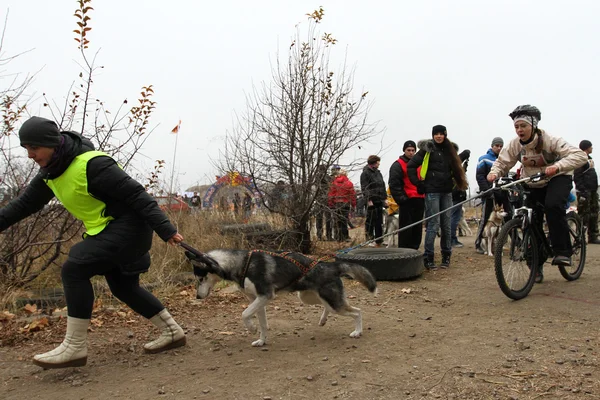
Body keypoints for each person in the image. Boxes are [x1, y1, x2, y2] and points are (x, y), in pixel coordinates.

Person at [0, 117, 186, 369]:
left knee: (74, 267)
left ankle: (74, 347)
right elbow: (22, 206)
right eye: (26, 149)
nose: (30, 155)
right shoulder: (51, 173)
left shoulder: (93, 164)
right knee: (124, 287)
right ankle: (173, 332)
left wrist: (166, 230)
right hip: (107, 231)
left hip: (130, 228)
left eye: (34, 148)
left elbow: (137, 195)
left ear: (51, 143)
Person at [487, 105, 588, 277]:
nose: (519, 130)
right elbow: (503, 162)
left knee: (553, 205)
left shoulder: (550, 140)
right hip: (532, 182)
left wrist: (557, 167)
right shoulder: (514, 144)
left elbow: (580, 156)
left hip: (557, 177)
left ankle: (563, 251)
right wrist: (494, 173)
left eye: (523, 126)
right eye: (516, 126)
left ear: (533, 126)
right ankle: (535, 264)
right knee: (531, 220)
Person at [408, 125, 468, 270]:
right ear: (433, 135)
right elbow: (411, 166)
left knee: (447, 225)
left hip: (447, 192)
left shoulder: (450, 150)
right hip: (432, 191)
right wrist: (418, 183)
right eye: (436, 134)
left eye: (441, 134)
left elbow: (454, 168)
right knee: (433, 224)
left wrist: (461, 165)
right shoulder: (427, 149)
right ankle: (428, 257)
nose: (439, 136)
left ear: (445, 135)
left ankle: (446, 255)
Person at [474, 137, 513, 254]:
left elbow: (506, 176)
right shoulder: (483, 159)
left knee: (508, 217)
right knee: (486, 218)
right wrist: (486, 190)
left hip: (502, 192)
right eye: (497, 145)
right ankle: (479, 242)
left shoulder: (504, 160)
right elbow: (480, 176)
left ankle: (512, 241)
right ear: (492, 146)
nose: (499, 148)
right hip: (489, 193)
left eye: (501, 146)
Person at [388, 140, 425, 250]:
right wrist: (402, 199)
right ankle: (404, 250)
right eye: (408, 150)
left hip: (420, 199)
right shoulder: (398, 164)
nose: (411, 152)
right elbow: (394, 184)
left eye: (413, 150)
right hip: (407, 200)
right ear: (404, 150)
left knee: (417, 227)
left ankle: (415, 249)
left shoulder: (420, 164)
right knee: (405, 227)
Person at [573, 140, 600, 244]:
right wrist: (583, 191)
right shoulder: (580, 159)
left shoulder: (589, 159)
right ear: (586, 147)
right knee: (584, 215)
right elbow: (577, 177)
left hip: (592, 191)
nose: (592, 148)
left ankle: (593, 236)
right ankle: (579, 238)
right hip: (585, 192)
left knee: (594, 213)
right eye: (591, 146)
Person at [360, 155, 387, 246]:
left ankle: (379, 240)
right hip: (371, 201)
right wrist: (368, 200)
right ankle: (370, 240)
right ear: (374, 162)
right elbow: (365, 187)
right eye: (378, 162)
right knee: (371, 221)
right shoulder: (365, 173)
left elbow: (382, 186)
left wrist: (384, 198)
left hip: (379, 200)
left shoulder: (378, 173)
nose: (379, 163)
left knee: (379, 222)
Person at [450, 143, 471, 248]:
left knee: (456, 217)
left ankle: (452, 238)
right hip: (455, 194)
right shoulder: (450, 162)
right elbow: (456, 163)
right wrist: (464, 154)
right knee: (454, 217)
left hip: (458, 194)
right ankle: (451, 239)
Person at [327, 169, 356, 242]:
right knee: (344, 221)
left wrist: (331, 204)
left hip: (336, 203)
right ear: (346, 174)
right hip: (345, 203)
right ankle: (345, 237)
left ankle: (338, 238)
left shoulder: (334, 183)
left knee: (337, 221)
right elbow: (352, 195)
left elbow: (331, 194)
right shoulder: (349, 183)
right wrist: (353, 205)